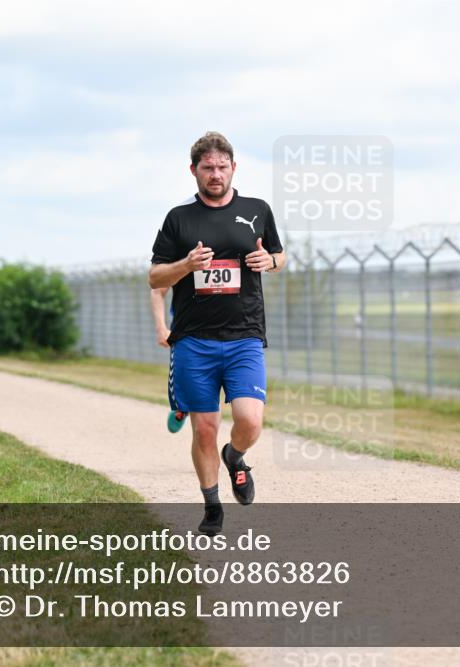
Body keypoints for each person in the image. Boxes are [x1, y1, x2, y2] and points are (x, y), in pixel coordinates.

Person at [148, 132, 286, 536]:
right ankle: (212, 508)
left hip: (244, 336)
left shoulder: (257, 210)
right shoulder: (179, 219)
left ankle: (236, 457)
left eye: (222, 167)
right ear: (194, 171)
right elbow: (155, 276)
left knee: (250, 421)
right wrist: (186, 265)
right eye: (207, 167)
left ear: (233, 168)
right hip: (195, 340)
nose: (215, 174)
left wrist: (270, 261)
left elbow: (280, 255)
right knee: (204, 427)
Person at [151, 285, 188, 434]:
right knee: (187, 377)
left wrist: (269, 264)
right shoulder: (181, 260)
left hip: (233, 331)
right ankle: (182, 407)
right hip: (188, 328)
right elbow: (157, 289)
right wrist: (161, 327)